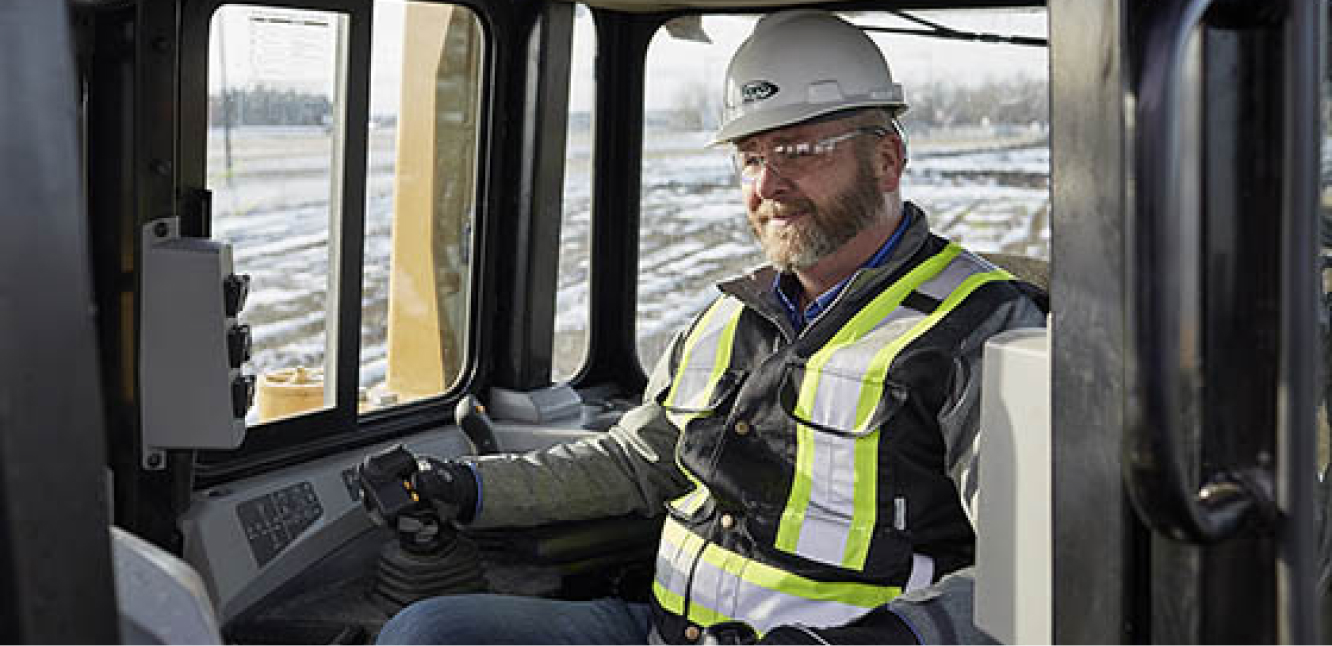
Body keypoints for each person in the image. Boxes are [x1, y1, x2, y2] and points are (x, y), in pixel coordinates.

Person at [366, 9, 1046, 645]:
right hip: (661, 627)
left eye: (798, 149)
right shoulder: (729, 314)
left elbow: (1035, 568)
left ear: (886, 160)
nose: (767, 184)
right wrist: (469, 485)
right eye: (751, 156)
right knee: (430, 632)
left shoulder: (981, 329)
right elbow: (637, 462)